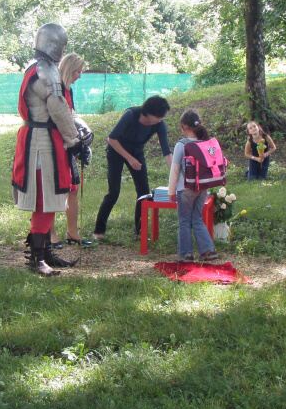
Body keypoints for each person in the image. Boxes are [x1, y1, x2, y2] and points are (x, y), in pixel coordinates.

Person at [12, 24, 87, 276]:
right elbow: (57, 107)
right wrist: (74, 140)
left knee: (49, 198)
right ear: (55, 45)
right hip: (42, 143)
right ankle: (37, 258)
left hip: (43, 138)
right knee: (44, 199)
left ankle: (44, 252)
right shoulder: (45, 71)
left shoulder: (38, 67)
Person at [93, 95, 172, 239]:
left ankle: (139, 231)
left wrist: (174, 173)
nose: (161, 120)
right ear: (150, 113)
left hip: (137, 153)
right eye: (159, 116)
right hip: (116, 151)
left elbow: (166, 151)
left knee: (144, 192)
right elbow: (111, 139)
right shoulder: (131, 115)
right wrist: (129, 158)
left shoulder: (159, 124)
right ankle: (99, 231)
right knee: (114, 192)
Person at [50, 53, 93, 248]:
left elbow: (71, 116)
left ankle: (73, 233)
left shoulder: (69, 90)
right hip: (54, 144)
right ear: (68, 69)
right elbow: (56, 118)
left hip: (69, 144)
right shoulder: (55, 88)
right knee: (52, 190)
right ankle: (50, 234)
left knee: (73, 188)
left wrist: (83, 136)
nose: (79, 76)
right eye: (77, 72)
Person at [167, 110, 220, 262]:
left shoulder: (182, 145)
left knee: (184, 221)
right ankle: (208, 251)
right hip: (202, 187)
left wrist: (171, 191)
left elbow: (175, 170)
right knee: (197, 218)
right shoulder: (205, 143)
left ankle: (186, 254)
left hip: (185, 189)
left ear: (184, 126)